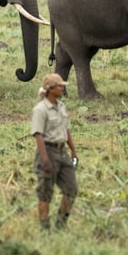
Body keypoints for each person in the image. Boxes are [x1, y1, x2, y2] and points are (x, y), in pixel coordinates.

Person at [31, 72, 78, 231]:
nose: (62, 89)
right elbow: (38, 135)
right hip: (48, 150)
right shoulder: (40, 110)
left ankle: (61, 223)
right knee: (45, 193)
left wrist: (73, 150)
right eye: (60, 86)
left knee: (71, 190)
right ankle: (45, 229)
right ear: (51, 89)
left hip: (62, 151)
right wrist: (45, 160)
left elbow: (67, 129)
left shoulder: (61, 107)